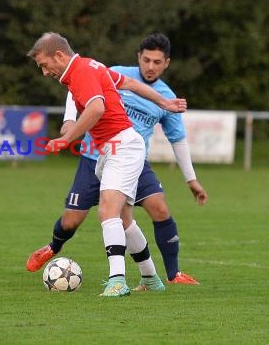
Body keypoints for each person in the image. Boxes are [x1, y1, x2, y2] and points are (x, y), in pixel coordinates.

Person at [26, 33, 208, 286]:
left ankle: (118, 281)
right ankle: (150, 278)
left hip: (123, 147)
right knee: (119, 219)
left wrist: (66, 140)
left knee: (108, 212)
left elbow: (97, 108)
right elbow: (130, 85)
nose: (45, 72)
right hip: (107, 150)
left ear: (59, 55)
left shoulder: (82, 71)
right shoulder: (90, 66)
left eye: (44, 65)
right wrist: (164, 102)